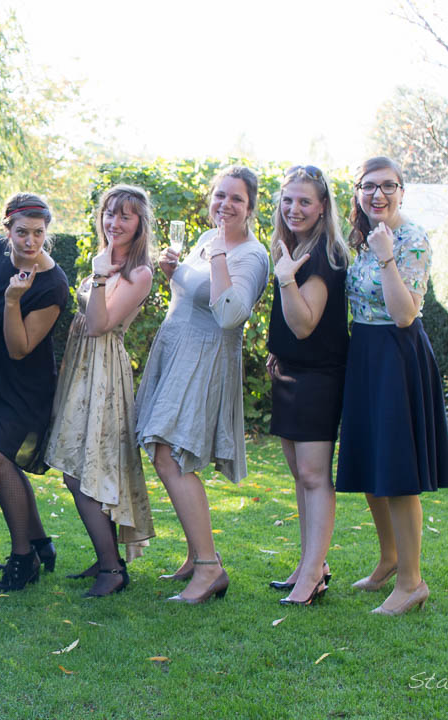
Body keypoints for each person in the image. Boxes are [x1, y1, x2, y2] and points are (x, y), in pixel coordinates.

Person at [135, 166, 269, 605]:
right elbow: (190, 294)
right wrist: (174, 271)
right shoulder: (205, 241)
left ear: (250, 207)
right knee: (171, 454)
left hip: (205, 358)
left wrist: (216, 257)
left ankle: (210, 567)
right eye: (219, 196)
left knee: (170, 455)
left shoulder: (251, 255)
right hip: (177, 351)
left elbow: (230, 313)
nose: (225, 205)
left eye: (236, 199)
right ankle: (196, 557)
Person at [337, 156, 448, 615]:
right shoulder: (363, 237)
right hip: (365, 351)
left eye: (388, 186)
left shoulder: (410, 238)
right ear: (358, 192)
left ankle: (411, 582)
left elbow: (405, 312)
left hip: (397, 352)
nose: (378, 195)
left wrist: (387, 254)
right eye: (369, 186)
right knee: (372, 464)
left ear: (402, 191)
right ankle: (389, 560)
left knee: (398, 473)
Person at [45, 184, 156, 597]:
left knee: (84, 472)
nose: (115, 222)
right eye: (110, 213)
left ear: (140, 222)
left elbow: (99, 324)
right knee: (78, 467)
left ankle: (113, 568)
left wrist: (100, 274)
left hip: (104, 373)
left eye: (125, 215)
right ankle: (107, 556)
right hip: (82, 367)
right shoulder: (105, 259)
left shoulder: (138, 272)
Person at [265, 166, 350, 606]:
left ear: (321, 209)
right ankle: (309, 564)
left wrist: (284, 278)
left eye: (304, 201)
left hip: (319, 377)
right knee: (301, 475)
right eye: (288, 200)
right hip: (291, 373)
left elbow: (303, 325)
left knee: (315, 476)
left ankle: (312, 575)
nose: (294, 208)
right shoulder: (291, 246)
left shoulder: (322, 255)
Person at [0, 192, 69, 592]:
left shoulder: (53, 284)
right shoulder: (1, 254)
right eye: (21, 233)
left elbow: (20, 347)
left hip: (26, 381)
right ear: (7, 230)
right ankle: (40, 543)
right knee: (3, 460)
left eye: (38, 233)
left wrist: (13, 299)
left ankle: (23, 558)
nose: (30, 242)